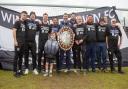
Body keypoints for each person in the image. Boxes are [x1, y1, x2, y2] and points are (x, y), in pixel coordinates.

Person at [12, 11, 28, 77]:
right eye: (24, 15)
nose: (25, 16)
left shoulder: (24, 23)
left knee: (21, 57)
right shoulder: (17, 22)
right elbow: (14, 30)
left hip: (23, 43)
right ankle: (15, 72)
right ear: (21, 15)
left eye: (26, 15)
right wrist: (15, 40)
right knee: (16, 57)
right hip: (18, 42)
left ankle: (20, 71)